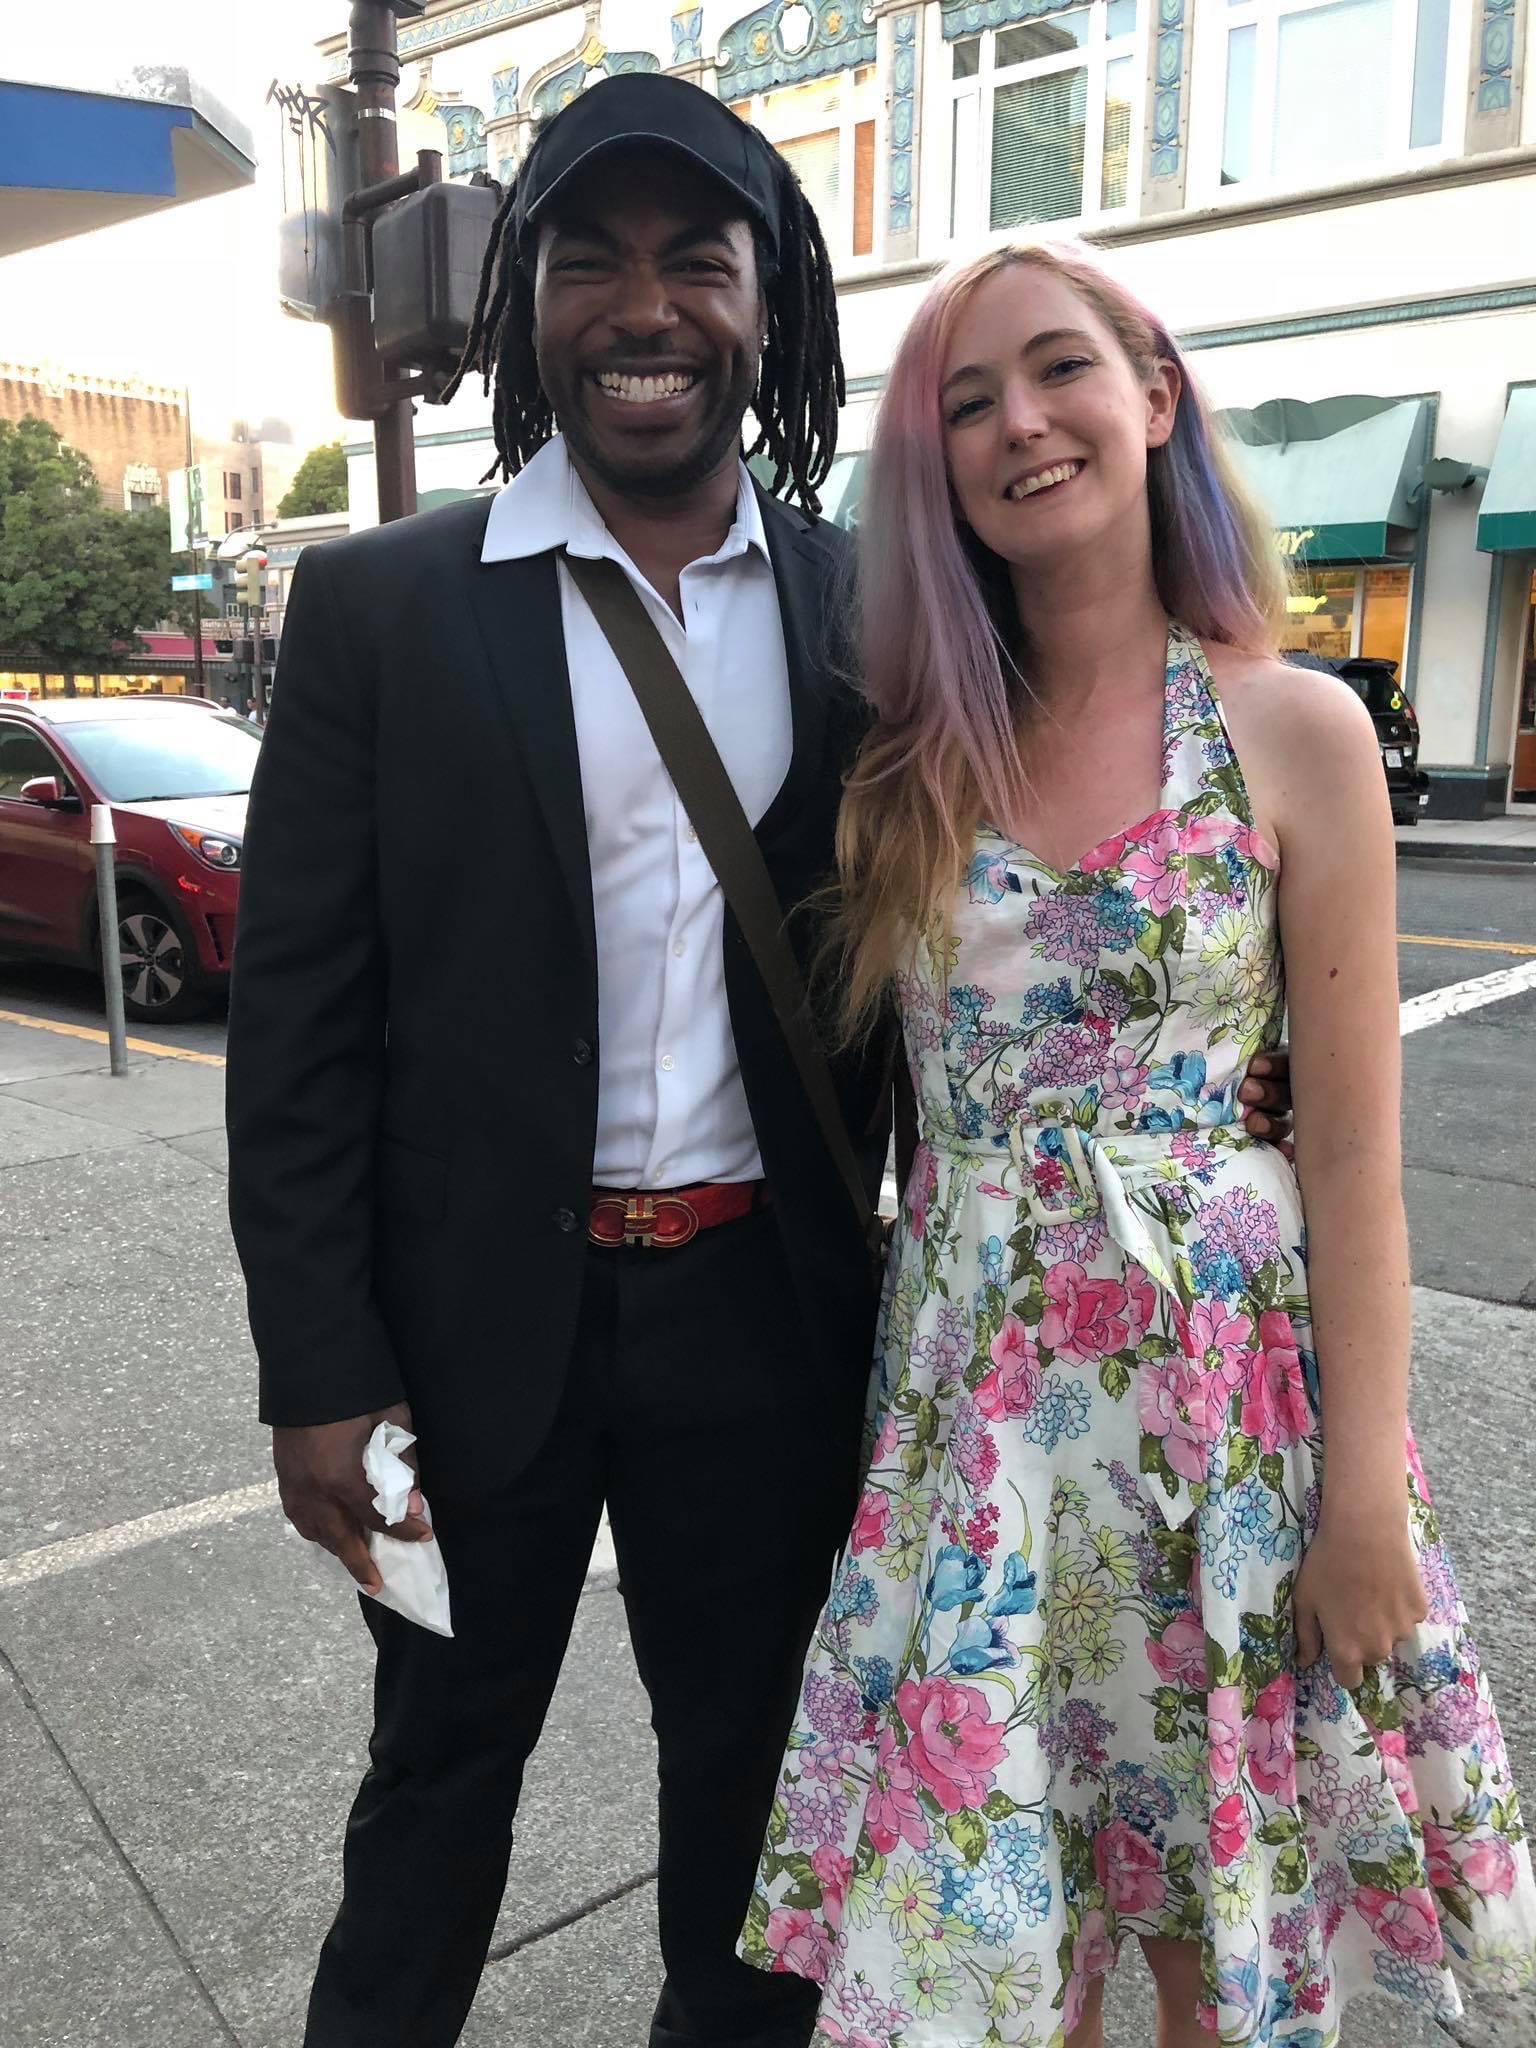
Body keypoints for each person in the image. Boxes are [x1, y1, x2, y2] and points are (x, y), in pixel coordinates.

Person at [226, 79, 1291, 2048]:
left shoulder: (867, 609)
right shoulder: (380, 606)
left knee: (758, 1817)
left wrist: (1232, 1052)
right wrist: (324, 1382)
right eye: (592, 260)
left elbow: (1042, 856)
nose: (646, 307)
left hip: (764, 1325)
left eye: (696, 262)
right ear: (531, 308)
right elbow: (299, 1030)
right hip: (456, 1351)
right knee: (435, 1788)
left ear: (769, 309)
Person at [745, 244, 1536, 2047]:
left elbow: (1349, 1163)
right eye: (966, 402)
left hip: (1229, 1437)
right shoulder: (909, 771)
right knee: (1016, 1939)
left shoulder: (1297, 728)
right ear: (934, 468)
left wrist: (1360, 1506)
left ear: (1155, 395)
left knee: (1208, 1930)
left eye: (1058, 370)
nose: (1020, 422)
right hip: (989, 1434)